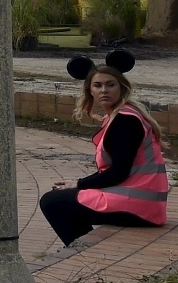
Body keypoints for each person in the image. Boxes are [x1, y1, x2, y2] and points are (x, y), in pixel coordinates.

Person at [37, 50, 168, 246]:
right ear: (90, 90)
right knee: (63, 199)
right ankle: (85, 246)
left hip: (138, 207)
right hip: (143, 203)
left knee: (52, 202)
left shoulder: (125, 120)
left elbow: (118, 172)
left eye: (110, 84)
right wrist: (79, 185)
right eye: (97, 85)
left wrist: (79, 183)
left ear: (121, 88)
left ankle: (81, 250)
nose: (104, 90)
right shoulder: (121, 115)